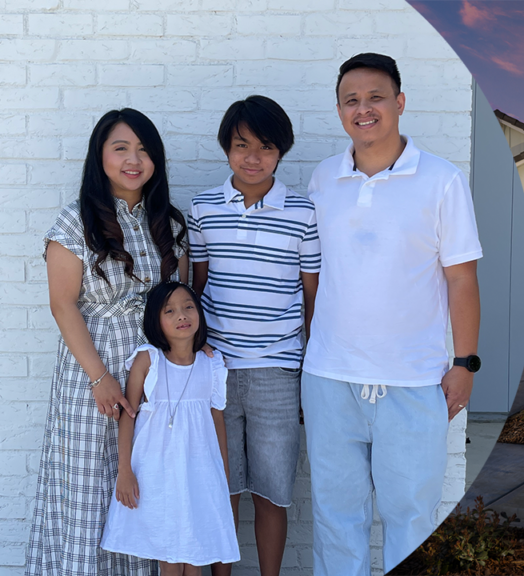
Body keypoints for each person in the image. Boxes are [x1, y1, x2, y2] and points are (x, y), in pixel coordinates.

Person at [302, 52, 483, 575]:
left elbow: (461, 278)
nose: (364, 109)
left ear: (400, 103)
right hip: (330, 378)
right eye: (351, 100)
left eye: (375, 97)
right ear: (339, 111)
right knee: (337, 520)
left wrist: (465, 362)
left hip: (412, 381)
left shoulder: (442, 181)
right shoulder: (322, 182)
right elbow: (312, 277)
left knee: (412, 522)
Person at [26, 109, 190, 576]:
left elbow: (179, 302)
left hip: (154, 377)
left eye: (144, 150)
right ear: (100, 157)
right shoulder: (76, 221)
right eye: (121, 148)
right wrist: (100, 378)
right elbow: (63, 305)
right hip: (91, 375)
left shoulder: (169, 223)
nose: (133, 159)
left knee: (142, 482)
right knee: (89, 485)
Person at [187, 95, 320, 576]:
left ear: (280, 152)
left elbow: (312, 300)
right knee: (222, 488)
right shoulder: (202, 209)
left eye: (265, 147)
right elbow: (196, 287)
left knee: (272, 491)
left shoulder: (303, 213)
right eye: (241, 145)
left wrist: (308, 369)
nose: (252, 157)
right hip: (216, 371)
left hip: (277, 372)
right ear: (226, 148)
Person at [99, 282, 239, 574]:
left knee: (196, 551)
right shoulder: (148, 360)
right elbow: (128, 415)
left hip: (199, 473)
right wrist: (124, 470)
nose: (181, 315)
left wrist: (222, 477)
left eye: (189, 307)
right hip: (158, 473)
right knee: (169, 553)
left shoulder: (211, 365)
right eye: (170, 310)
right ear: (156, 320)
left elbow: (217, 421)